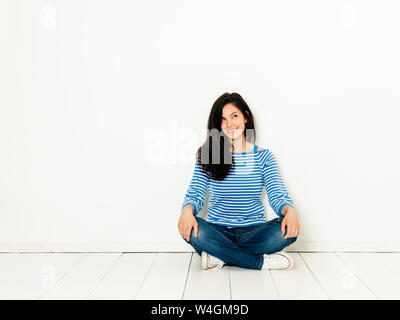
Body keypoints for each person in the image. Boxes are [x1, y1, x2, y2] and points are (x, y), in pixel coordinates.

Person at [177, 92, 301, 271]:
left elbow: (277, 195)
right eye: (223, 119)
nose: (229, 124)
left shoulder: (263, 157)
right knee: (195, 231)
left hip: (254, 232)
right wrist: (187, 211)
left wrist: (290, 211)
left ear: (245, 117)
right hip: (216, 231)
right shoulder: (208, 154)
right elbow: (195, 193)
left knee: (285, 232)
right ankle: (259, 262)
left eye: (234, 116)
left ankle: (217, 256)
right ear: (218, 125)